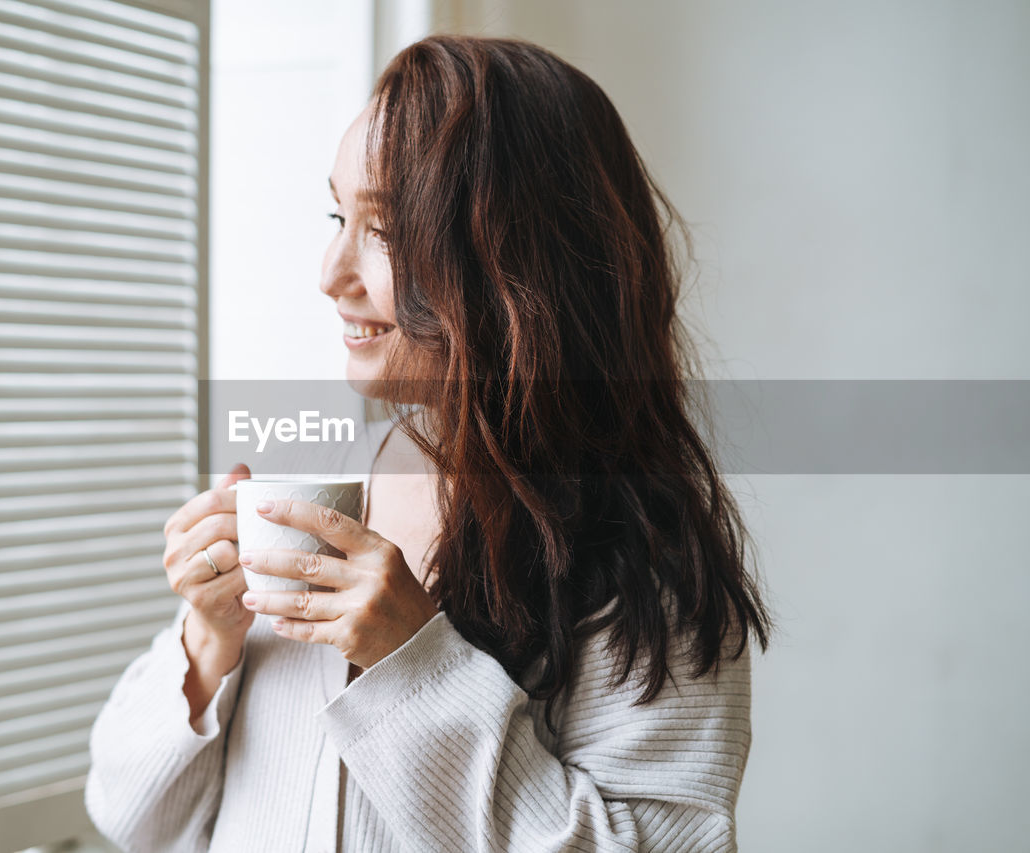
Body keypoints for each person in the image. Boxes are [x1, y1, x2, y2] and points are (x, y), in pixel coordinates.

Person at [85, 34, 772, 853]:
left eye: (384, 228)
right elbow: (130, 821)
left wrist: (414, 661)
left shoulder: (644, 556)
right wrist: (206, 642)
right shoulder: (313, 487)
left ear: (516, 260)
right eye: (338, 215)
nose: (329, 272)